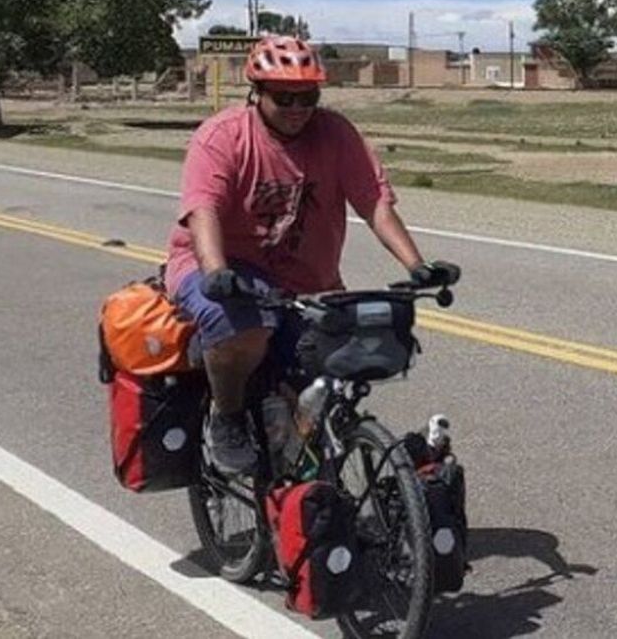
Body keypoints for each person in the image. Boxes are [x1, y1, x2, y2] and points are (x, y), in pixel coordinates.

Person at [164, 35, 458, 473]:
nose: (299, 107)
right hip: (221, 268)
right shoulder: (222, 137)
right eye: (285, 97)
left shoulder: (336, 134)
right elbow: (202, 208)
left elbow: (374, 202)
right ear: (256, 92)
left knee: (334, 371)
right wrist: (216, 270)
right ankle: (226, 418)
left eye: (309, 96)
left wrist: (416, 265)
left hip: (304, 280)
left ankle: (306, 484)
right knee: (240, 324)